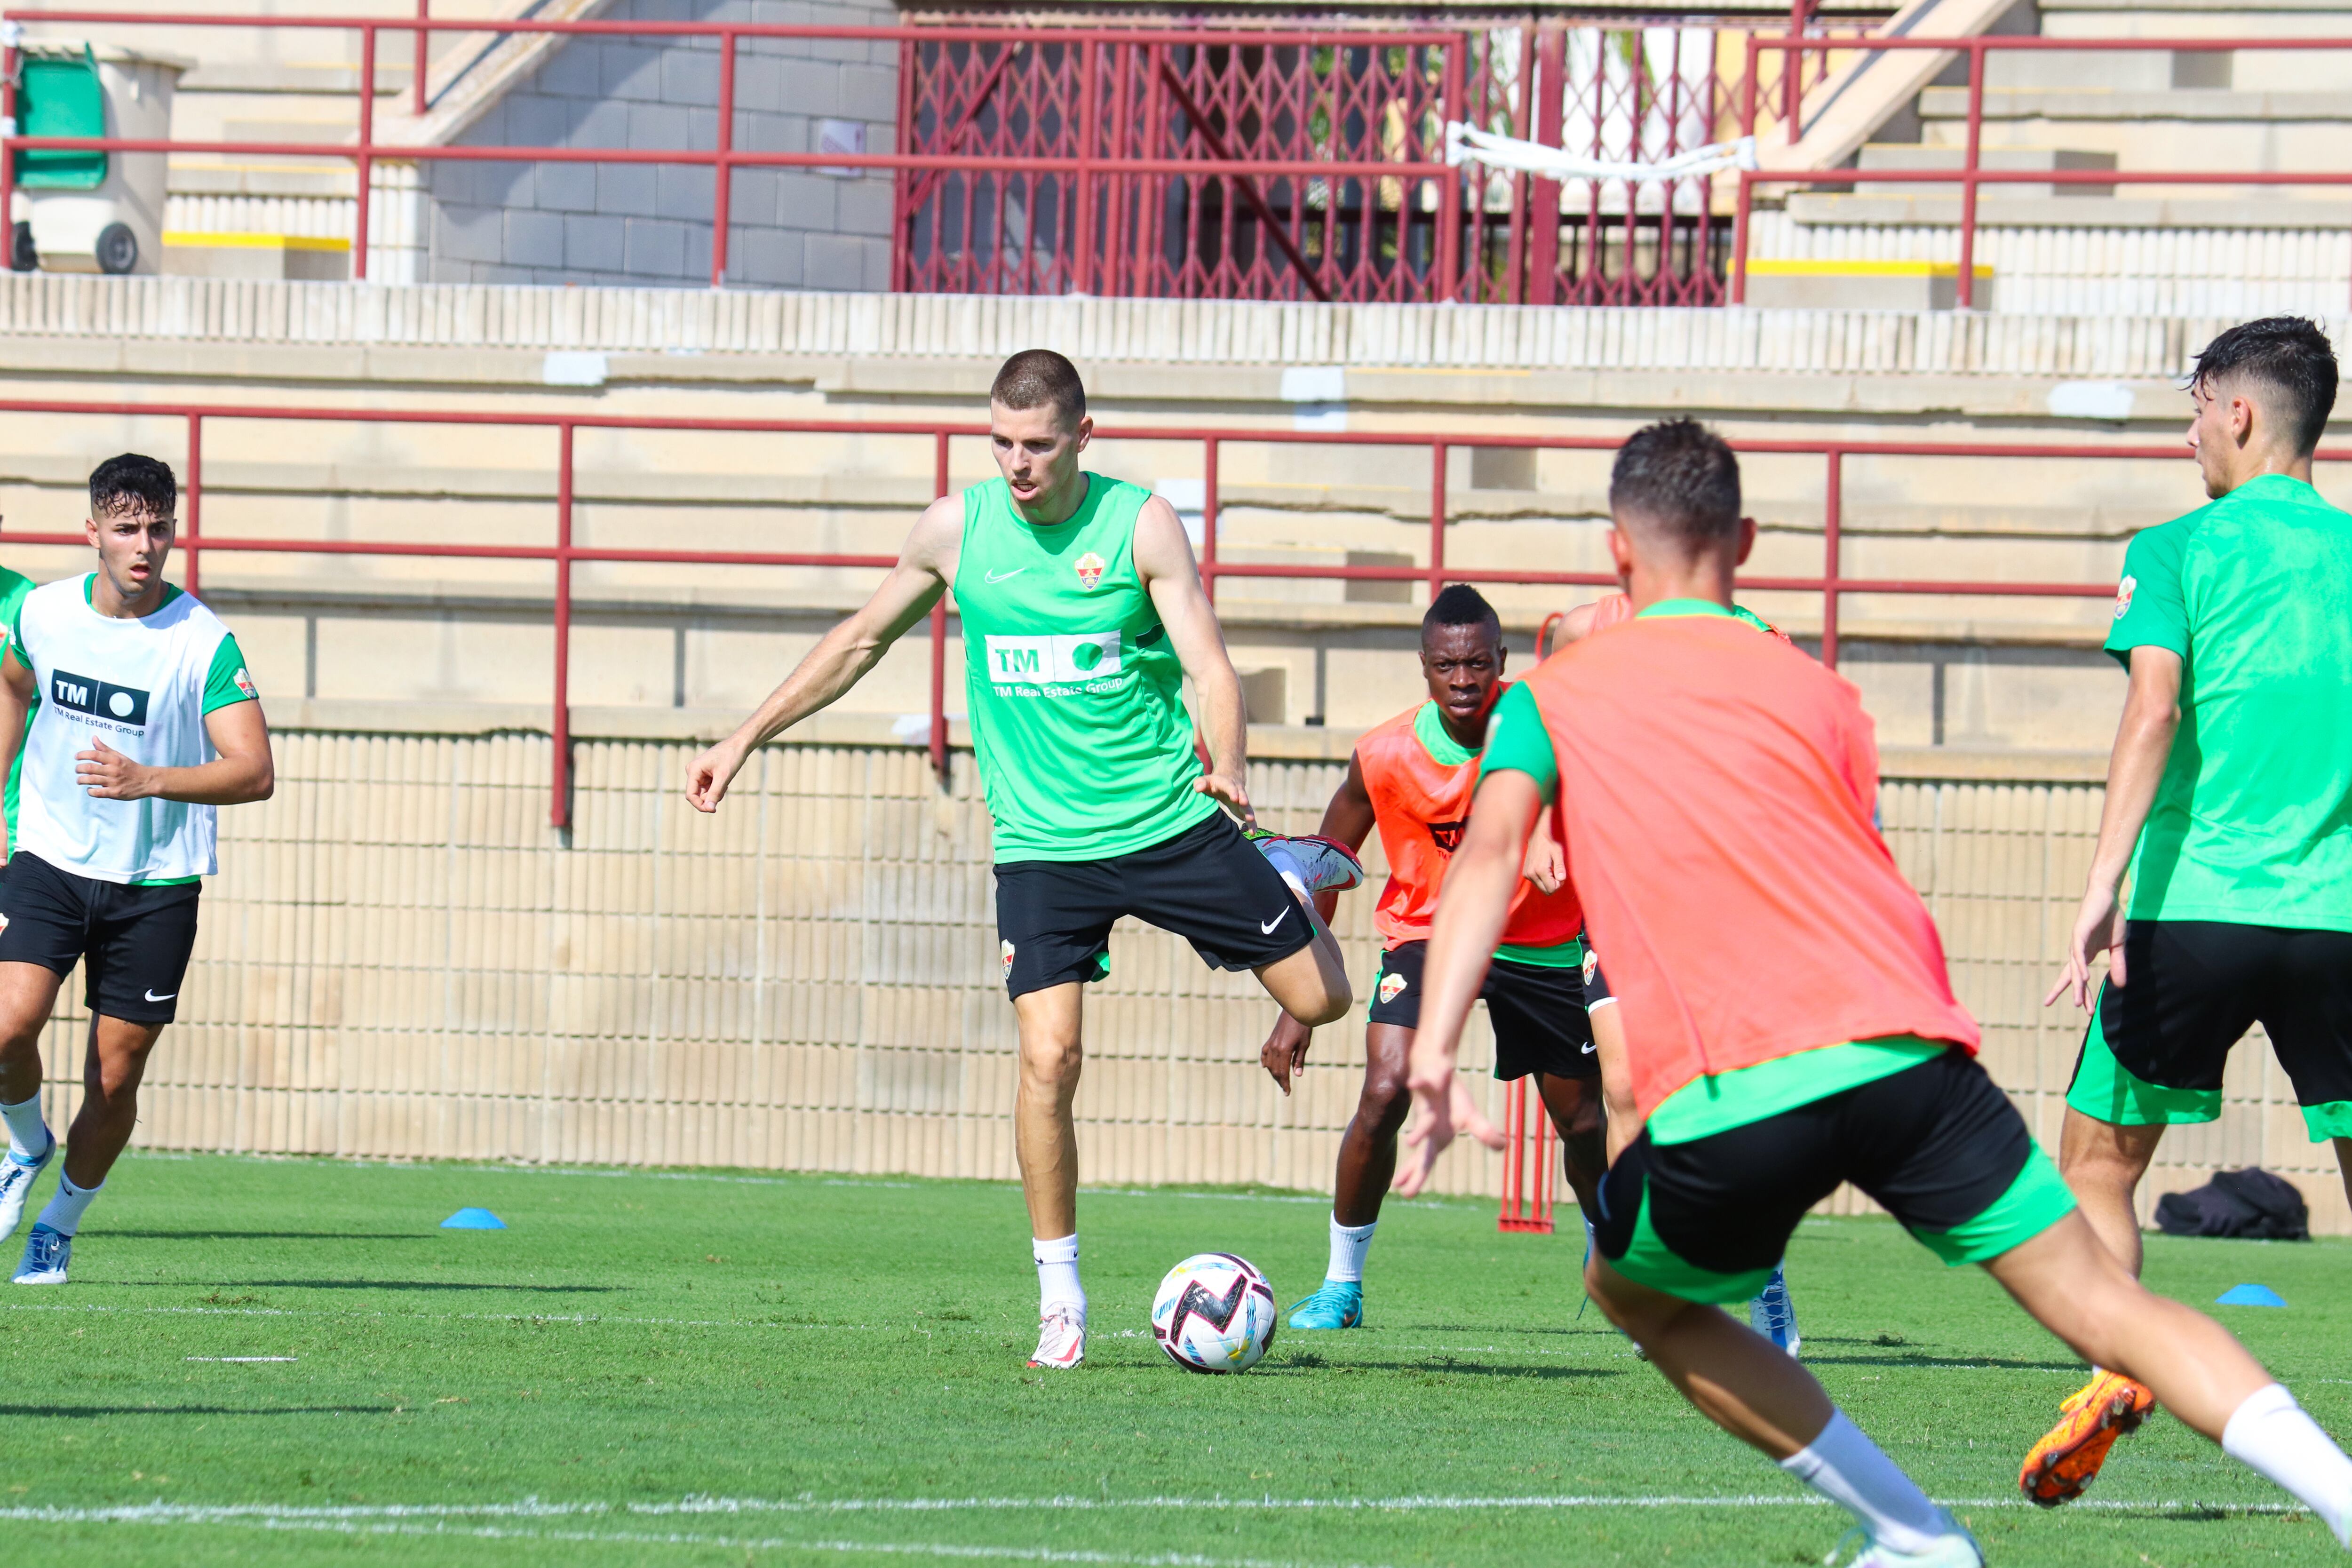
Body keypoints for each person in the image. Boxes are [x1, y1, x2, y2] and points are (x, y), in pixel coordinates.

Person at [1393, 418, 2352, 1568]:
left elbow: (1491, 857)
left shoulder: (1558, 690)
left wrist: (1437, 1047)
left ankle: (1913, 1533)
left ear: (1614, 554)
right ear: (1744, 541)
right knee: (2114, 1313)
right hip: (1912, 1058)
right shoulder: (1822, 694)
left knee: (1631, 1289)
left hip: (1744, 1071)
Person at [685, 350, 1358, 1370]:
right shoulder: (958, 530)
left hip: (1170, 817)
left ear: (1083, 438)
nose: (1017, 463)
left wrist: (1228, 766)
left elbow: (1209, 663)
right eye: (1000, 441)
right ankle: (1061, 1297)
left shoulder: (1141, 524)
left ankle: (1284, 870)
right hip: (1044, 848)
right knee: (1049, 1058)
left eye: (1037, 444)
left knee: (1321, 1002)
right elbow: (863, 637)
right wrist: (742, 737)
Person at [2030, 315, 2352, 1504]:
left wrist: (2100, 886)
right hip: (2340, 913)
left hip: (2194, 904)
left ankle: (2114, 1371)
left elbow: (2153, 715)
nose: (2187, 429)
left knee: (2096, 1166)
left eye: (2195, 403)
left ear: (2240, 415)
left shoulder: (2176, 549)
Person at [1261, 583, 1600, 1331]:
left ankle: (1620, 1280)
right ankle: (1341, 1285)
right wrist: (1299, 1000)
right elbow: (1327, 863)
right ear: (1424, 665)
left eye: (1479, 663)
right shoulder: (1384, 755)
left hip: (1539, 942)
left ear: (1502, 660)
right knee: (1384, 1091)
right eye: (1448, 665)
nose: (1464, 680)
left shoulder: (1552, 732)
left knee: (1584, 1123)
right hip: (1428, 937)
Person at [0, 454, 275, 1284]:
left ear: (174, 529)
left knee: (113, 1081)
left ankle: (60, 1221)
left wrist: (147, 779)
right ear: (93, 533)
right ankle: (24, 1145)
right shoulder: (42, 613)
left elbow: (255, 770)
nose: (144, 545)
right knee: (7, 1027)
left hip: (154, 886)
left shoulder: (202, 641)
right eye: (126, 528)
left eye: (158, 527)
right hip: (48, 858)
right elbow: (14, 685)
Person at [1552, 586, 1804, 1355]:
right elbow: (1548, 730)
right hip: (1623, 885)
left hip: (1722, 894)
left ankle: (1762, 1277)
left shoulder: (1759, 640)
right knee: (1624, 1088)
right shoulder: (1587, 628)